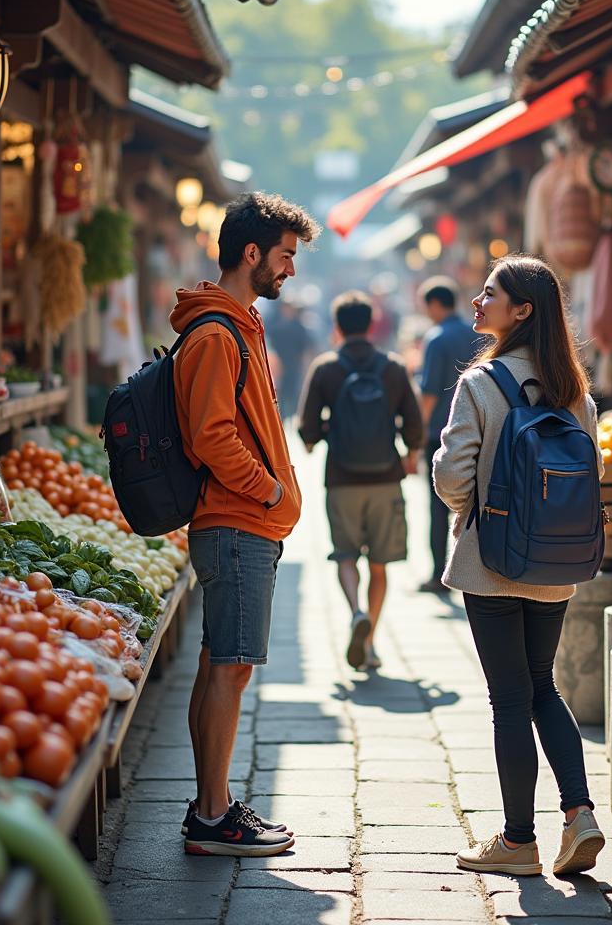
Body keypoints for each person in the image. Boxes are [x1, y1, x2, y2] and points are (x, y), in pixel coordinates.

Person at [432, 254, 606, 878]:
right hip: (557, 563)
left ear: (522, 310)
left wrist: (472, 509)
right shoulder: (572, 390)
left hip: (493, 561)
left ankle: (518, 841)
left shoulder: (480, 385)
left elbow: (453, 477)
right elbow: (593, 474)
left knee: (509, 698)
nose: (477, 303)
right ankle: (580, 812)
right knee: (542, 685)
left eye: (489, 294)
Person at [171, 192, 320, 857]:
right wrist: (266, 493)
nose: (291, 270)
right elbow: (211, 437)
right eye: (285, 256)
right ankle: (211, 816)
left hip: (241, 524)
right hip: (236, 524)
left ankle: (213, 803)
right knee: (231, 670)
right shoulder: (214, 333)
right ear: (252, 253)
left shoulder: (238, 325)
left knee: (217, 666)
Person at [298, 290, 423, 671]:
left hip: (341, 478)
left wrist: (321, 434)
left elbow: (306, 429)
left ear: (337, 327)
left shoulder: (326, 368)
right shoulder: (393, 366)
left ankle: (354, 611)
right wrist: (410, 456)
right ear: (371, 324)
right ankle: (369, 643)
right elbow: (415, 426)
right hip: (386, 478)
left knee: (346, 555)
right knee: (380, 564)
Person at [418, 277, 480, 593]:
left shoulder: (436, 338)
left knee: (437, 506)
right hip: (477, 430)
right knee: (477, 501)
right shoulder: (476, 334)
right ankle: (477, 571)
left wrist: (417, 433)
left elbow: (428, 393)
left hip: (440, 433)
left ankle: (439, 573)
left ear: (434, 304)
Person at [266, 301, 314, 424]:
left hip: (293, 366)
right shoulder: (275, 327)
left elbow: (305, 349)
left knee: (292, 394)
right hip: (277, 367)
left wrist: (305, 366)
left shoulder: (299, 328)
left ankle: (290, 420)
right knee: (278, 395)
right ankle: (281, 420)